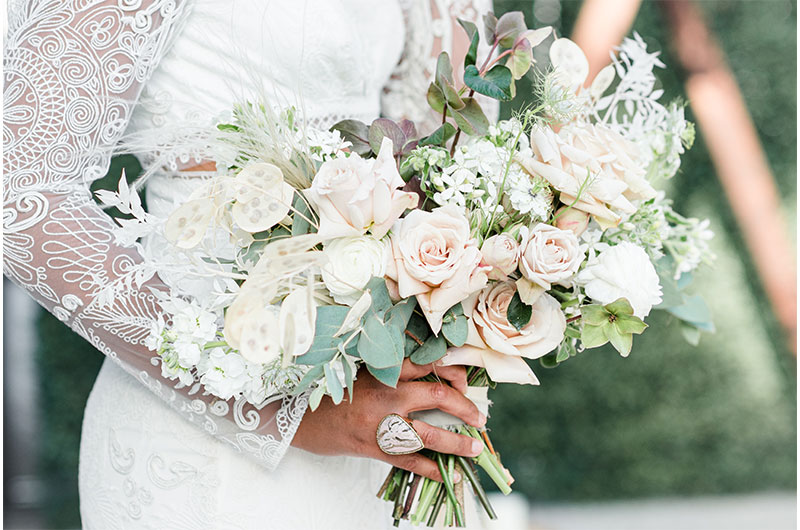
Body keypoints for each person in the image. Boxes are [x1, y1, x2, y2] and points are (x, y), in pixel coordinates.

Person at [3, 1, 497, 527]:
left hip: (373, 397)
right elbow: (19, 194)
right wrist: (276, 412)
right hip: (209, 430)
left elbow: (446, 152)